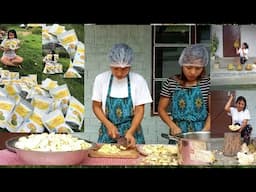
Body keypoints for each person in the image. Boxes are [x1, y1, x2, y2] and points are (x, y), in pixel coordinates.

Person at [91, 43, 153, 148]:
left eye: (124, 69)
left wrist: (130, 132)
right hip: (108, 130)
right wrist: (108, 124)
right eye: (116, 69)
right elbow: (96, 106)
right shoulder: (101, 79)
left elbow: (139, 110)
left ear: (130, 66)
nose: (120, 73)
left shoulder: (138, 80)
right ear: (111, 65)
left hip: (132, 131)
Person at [158, 44, 210, 142]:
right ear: (182, 65)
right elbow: (161, 109)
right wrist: (172, 126)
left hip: (200, 133)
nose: (193, 72)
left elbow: (212, 112)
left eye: (198, 68)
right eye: (189, 68)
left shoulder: (207, 83)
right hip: (178, 133)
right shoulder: (171, 82)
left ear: (203, 67)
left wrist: (204, 132)